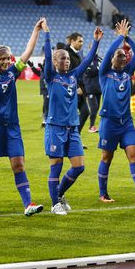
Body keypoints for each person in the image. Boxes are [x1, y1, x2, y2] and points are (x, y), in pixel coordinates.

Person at [0, 19, 45, 216]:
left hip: (12, 127)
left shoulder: (12, 73)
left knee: (18, 164)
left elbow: (28, 51)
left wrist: (36, 30)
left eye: (8, 58)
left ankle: (28, 205)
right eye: (3, 59)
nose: (7, 61)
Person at [43, 21, 103, 214]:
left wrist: (95, 42)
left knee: (79, 167)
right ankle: (55, 204)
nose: (66, 61)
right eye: (62, 59)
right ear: (54, 62)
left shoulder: (72, 76)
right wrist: (46, 34)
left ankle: (58, 195)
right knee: (56, 167)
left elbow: (87, 61)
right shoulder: (51, 77)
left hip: (72, 128)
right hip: (55, 128)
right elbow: (46, 55)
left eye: (67, 58)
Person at [97, 19, 135, 203]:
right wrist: (120, 38)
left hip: (126, 123)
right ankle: (103, 193)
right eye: (119, 56)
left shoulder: (128, 72)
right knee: (107, 157)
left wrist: (127, 37)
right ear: (112, 59)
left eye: (124, 56)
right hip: (109, 123)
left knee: (134, 155)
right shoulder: (104, 73)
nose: (123, 58)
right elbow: (107, 52)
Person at [65, 32, 90, 133]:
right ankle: (71, 137)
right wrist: (75, 87)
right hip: (71, 90)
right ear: (72, 41)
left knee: (85, 112)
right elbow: (67, 74)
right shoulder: (66, 54)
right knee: (70, 116)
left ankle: (75, 136)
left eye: (82, 41)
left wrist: (84, 90)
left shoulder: (78, 54)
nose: (81, 43)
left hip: (80, 90)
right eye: (79, 41)